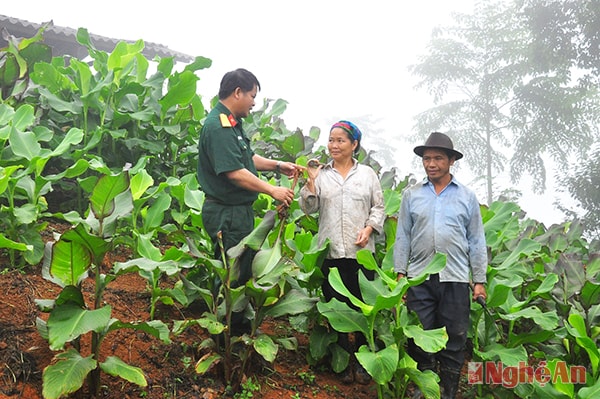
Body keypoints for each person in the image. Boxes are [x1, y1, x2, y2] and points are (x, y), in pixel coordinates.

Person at [197, 68, 304, 330]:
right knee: (232, 273)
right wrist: (273, 191)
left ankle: (234, 330)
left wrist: (279, 166)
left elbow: (247, 159)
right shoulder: (218, 126)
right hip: (227, 212)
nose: (254, 102)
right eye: (252, 96)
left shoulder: (231, 123)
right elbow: (234, 172)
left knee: (242, 269)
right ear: (237, 93)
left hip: (237, 211)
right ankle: (227, 334)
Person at [393, 132, 488, 399]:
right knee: (420, 337)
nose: (431, 164)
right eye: (426, 159)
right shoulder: (411, 195)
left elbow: (476, 240)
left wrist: (479, 281)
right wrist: (401, 275)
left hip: (455, 278)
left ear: (451, 161)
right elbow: (403, 237)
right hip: (420, 278)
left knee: (454, 339)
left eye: (437, 158)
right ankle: (424, 389)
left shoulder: (466, 197)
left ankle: (447, 392)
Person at [299, 120, 385, 385]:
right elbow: (308, 208)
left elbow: (379, 207)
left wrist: (369, 229)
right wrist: (311, 183)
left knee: (362, 310)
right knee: (337, 310)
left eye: (340, 141)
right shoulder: (322, 175)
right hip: (332, 254)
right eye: (331, 140)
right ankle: (341, 362)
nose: (333, 145)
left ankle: (361, 363)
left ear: (354, 144)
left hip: (361, 254)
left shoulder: (368, 175)